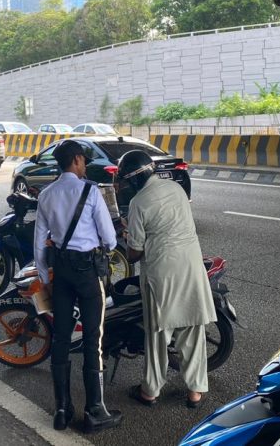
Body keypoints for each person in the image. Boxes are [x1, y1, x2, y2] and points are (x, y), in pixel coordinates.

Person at [34, 140, 122, 433]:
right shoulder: (90, 191)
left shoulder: (47, 194)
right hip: (87, 272)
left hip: (60, 273)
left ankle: (61, 409)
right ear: (75, 161)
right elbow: (109, 238)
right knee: (92, 340)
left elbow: (39, 243)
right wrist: (106, 245)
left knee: (60, 338)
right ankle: (95, 410)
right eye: (82, 160)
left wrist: (45, 278)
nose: (84, 165)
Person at [120, 150, 216, 408]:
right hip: (191, 266)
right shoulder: (176, 189)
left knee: (158, 335)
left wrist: (127, 234)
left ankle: (150, 391)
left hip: (162, 273)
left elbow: (134, 253)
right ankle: (196, 391)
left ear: (133, 180)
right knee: (193, 330)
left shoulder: (138, 203)